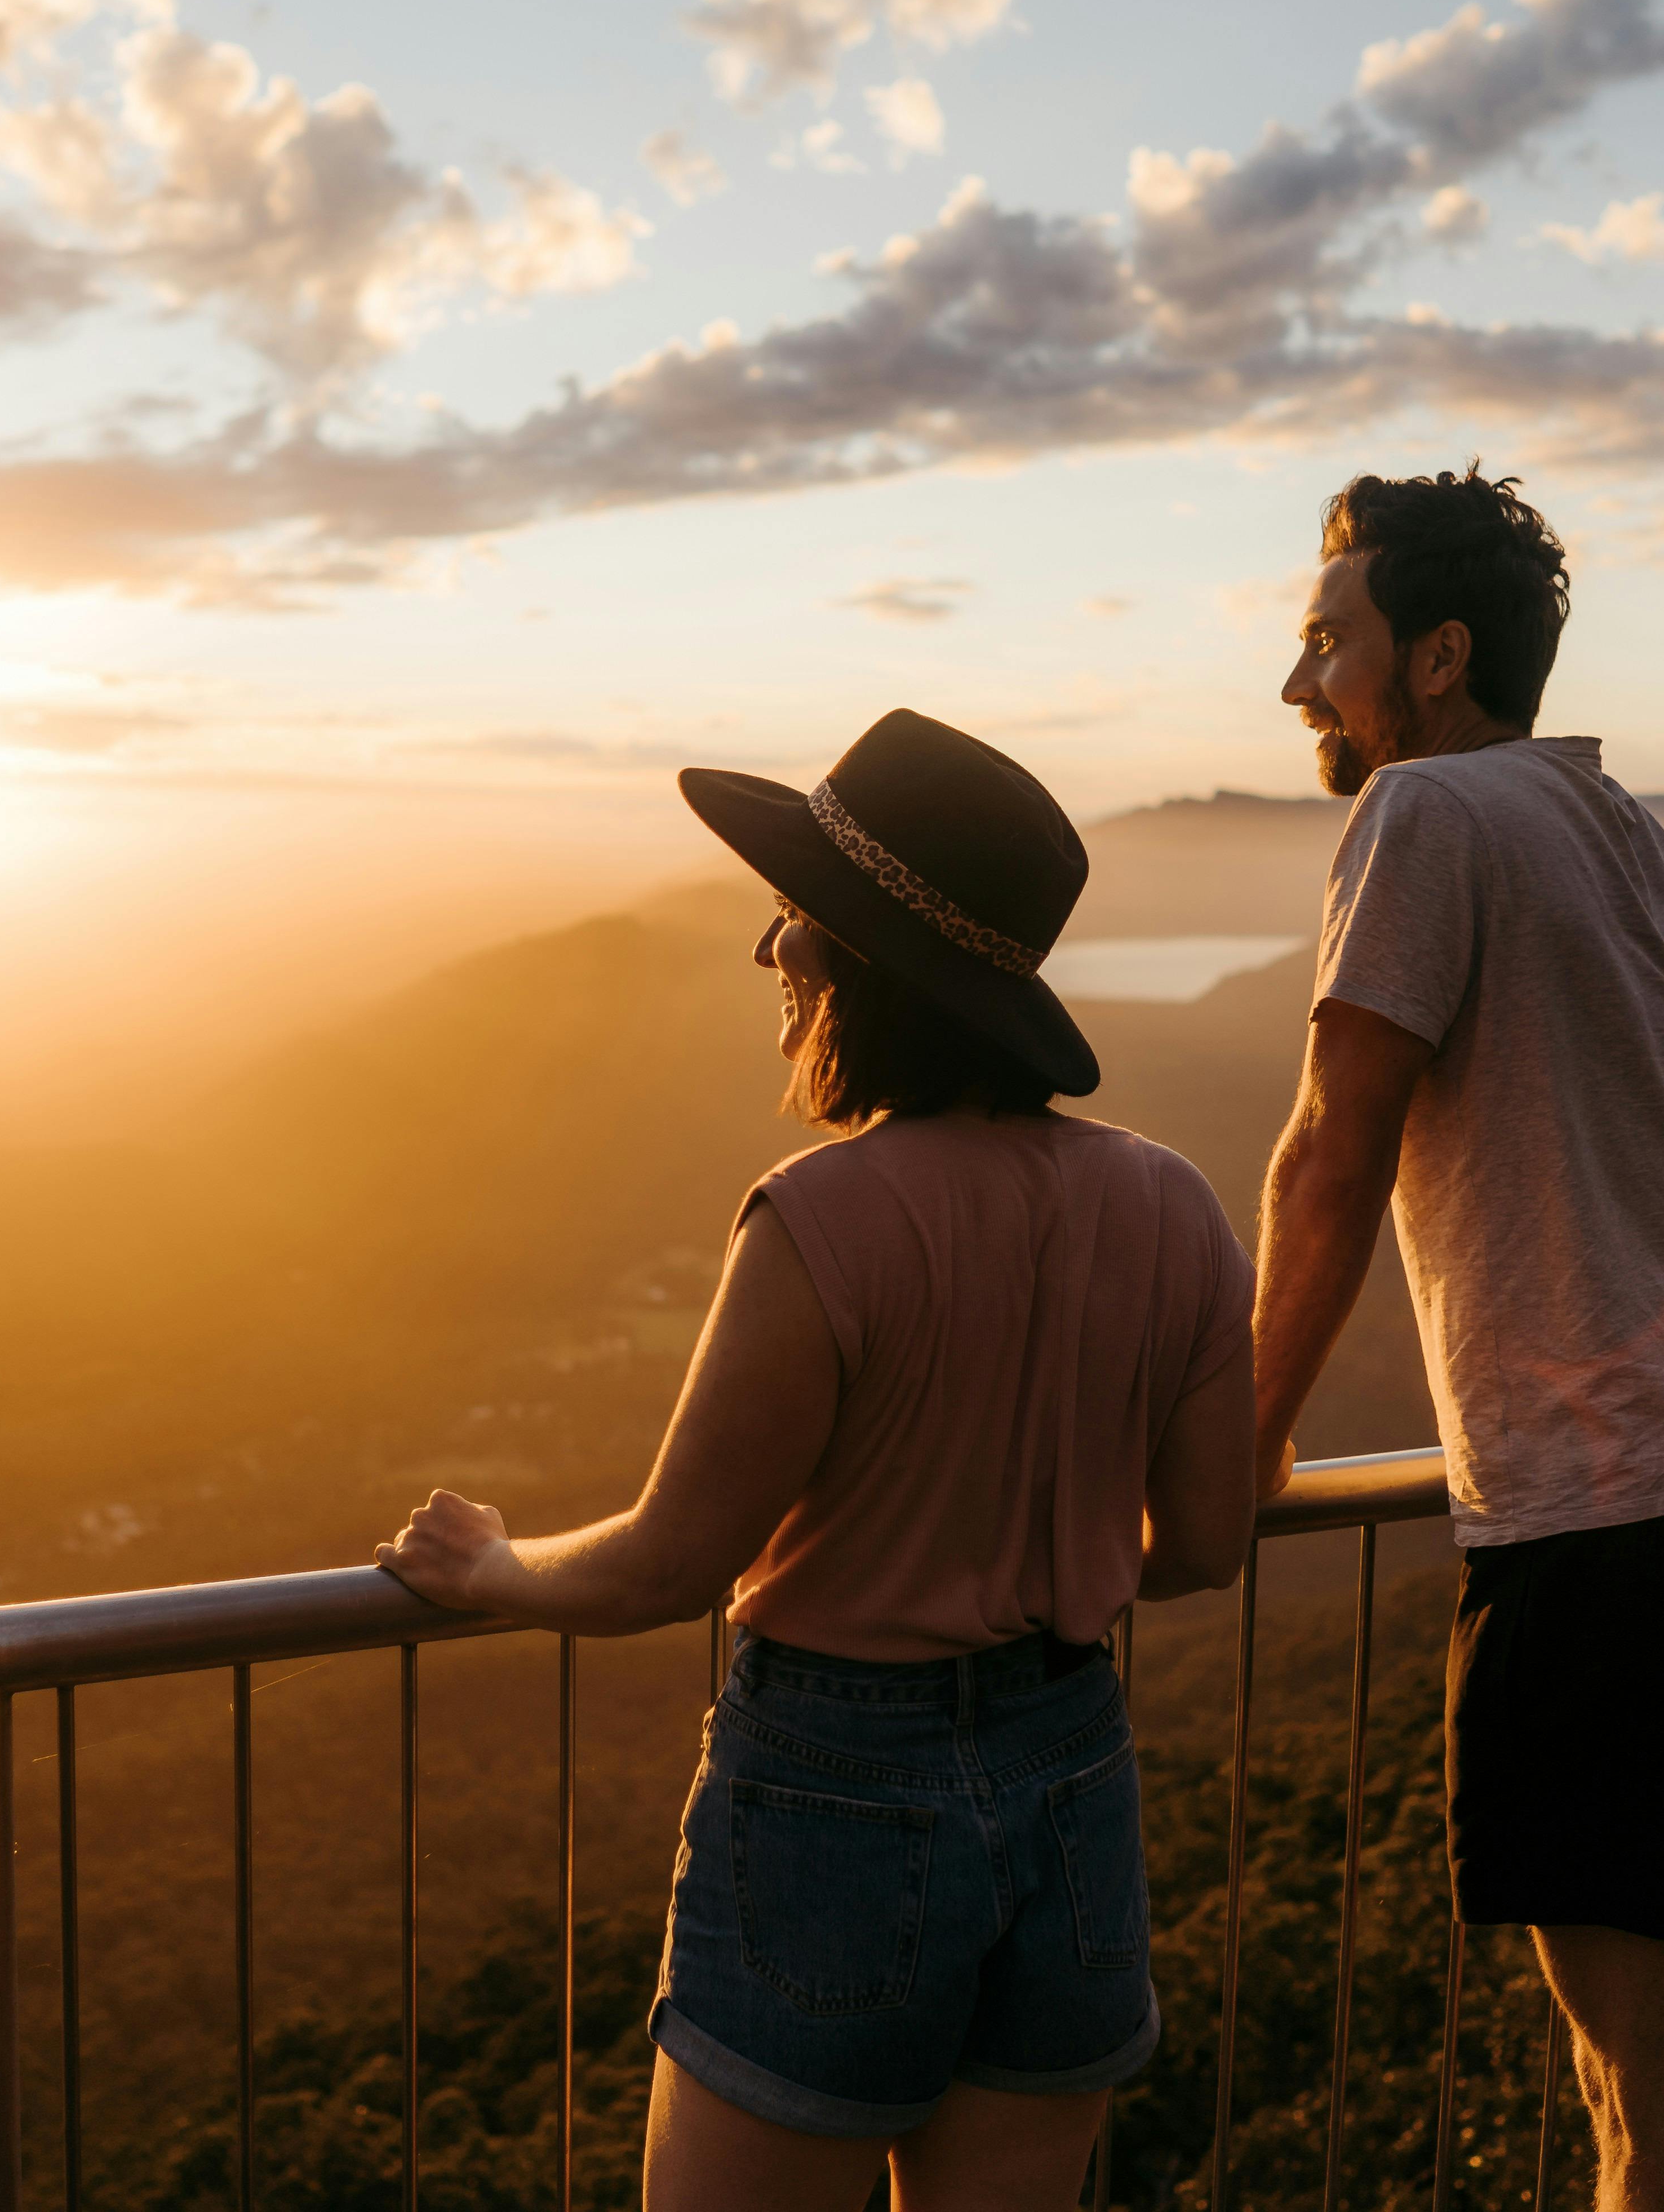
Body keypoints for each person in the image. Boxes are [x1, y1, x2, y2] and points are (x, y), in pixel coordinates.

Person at [375, 708, 1264, 2212]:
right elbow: (1201, 1548)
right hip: (1074, 1778)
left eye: (790, 921)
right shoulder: (1171, 1202)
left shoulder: (822, 1220)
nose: (767, 954)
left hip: (838, 1806)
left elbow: (675, 1561)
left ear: (856, 959)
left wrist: (495, 1568)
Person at [1248, 469, 1664, 2212]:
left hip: (1619, 1549)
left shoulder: (1425, 817)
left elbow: (1334, 1141)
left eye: (1329, 645)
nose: (1304, 687)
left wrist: (1234, 1445)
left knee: (1649, 2116)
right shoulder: (1657, 854)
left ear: (1437, 660)